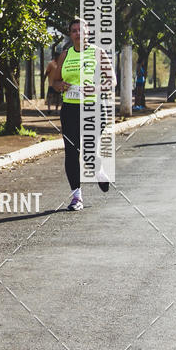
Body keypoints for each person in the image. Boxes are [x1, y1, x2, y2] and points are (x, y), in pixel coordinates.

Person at [51, 19, 116, 211]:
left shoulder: (98, 53)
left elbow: (112, 81)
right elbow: (55, 82)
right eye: (74, 30)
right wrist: (60, 86)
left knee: (88, 152)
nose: (78, 33)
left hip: (93, 109)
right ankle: (76, 197)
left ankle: (99, 171)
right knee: (72, 153)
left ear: (88, 32)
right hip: (70, 110)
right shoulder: (65, 54)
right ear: (70, 34)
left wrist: (95, 88)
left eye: (81, 30)